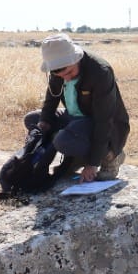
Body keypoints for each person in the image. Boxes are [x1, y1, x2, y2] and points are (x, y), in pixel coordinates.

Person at [25, 34, 130, 183]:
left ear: (76, 58)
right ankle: (75, 157)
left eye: (69, 73)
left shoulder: (100, 72)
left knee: (62, 140)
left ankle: (111, 156)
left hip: (100, 121)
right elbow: (52, 97)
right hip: (75, 116)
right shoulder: (58, 67)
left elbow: (104, 120)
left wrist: (93, 164)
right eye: (61, 76)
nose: (66, 78)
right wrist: (44, 122)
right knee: (33, 120)